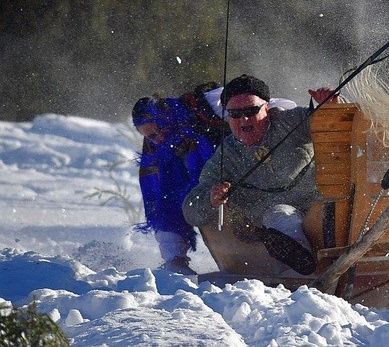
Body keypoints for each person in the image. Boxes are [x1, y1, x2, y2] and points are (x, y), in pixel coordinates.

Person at [182, 74, 337, 275]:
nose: (243, 119)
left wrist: (331, 106)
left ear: (267, 108)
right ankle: (299, 275)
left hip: (323, 210)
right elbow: (190, 209)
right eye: (235, 114)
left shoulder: (293, 122)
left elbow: (336, 126)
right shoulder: (225, 157)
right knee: (279, 215)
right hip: (273, 229)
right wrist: (210, 198)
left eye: (251, 110)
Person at [133, 94, 218, 275]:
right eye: (147, 136)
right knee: (169, 203)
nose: (154, 140)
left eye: (155, 132)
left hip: (215, 184)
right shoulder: (157, 147)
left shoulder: (197, 120)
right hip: (189, 193)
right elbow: (157, 192)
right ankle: (175, 260)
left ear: (163, 119)